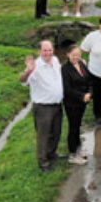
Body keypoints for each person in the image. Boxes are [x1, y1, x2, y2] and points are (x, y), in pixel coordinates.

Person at [19, 40, 63, 171]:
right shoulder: (35, 66)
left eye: (50, 50)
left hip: (57, 104)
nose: (48, 53)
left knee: (56, 132)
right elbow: (22, 80)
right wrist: (29, 71)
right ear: (40, 51)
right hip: (43, 107)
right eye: (45, 50)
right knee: (43, 135)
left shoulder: (55, 60)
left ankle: (52, 154)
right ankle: (43, 162)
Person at [62, 45, 92, 165]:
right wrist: (82, 96)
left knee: (78, 125)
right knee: (73, 127)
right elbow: (67, 89)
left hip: (83, 102)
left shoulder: (82, 64)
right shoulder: (65, 69)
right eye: (74, 55)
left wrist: (90, 93)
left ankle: (78, 148)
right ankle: (72, 154)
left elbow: (89, 80)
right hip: (72, 103)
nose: (76, 57)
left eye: (78, 55)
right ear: (68, 54)